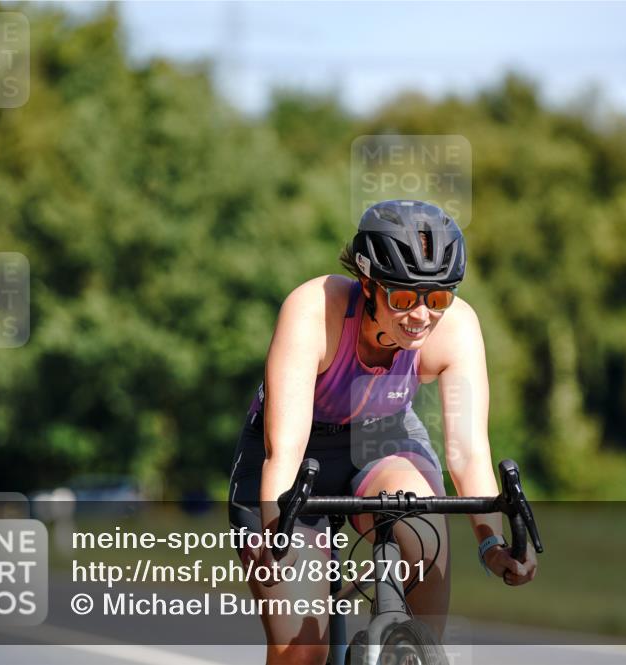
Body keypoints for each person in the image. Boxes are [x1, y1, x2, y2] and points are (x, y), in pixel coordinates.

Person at [228, 199, 537, 665]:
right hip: (293, 455)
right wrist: (278, 536)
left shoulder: (455, 329)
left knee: (423, 533)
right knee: (301, 649)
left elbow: (469, 453)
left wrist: (492, 543)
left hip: (381, 439)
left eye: (437, 298)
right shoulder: (314, 310)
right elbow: (284, 450)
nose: (421, 315)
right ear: (368, 285)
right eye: (402, 297)